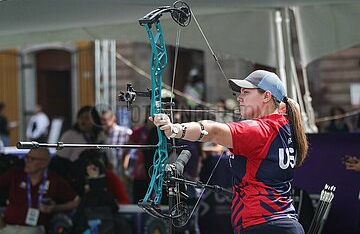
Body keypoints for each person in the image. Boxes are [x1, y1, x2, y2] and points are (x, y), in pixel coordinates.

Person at [151, 70, 308, 234]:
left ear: (266, 96)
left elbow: (214, 132)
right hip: (280, 224)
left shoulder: (261, 130)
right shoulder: (285, 127)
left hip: (264, 226)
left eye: (246, 92)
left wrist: (175, 129)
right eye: (240, 93)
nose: (239, 97)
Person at [0, 149, 80, 234]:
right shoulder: (15, 174)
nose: (27, 161)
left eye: (32, 159)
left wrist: (54, 208)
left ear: (44, 163)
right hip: (7, 226)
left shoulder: (54, 180)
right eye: (26, 158)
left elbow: (77, 202)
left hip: (34, 229)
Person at [100, 109, 133, 176]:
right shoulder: (104, 135)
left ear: (113, 119)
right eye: (101, 121)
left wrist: (125, 166)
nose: (102, 123)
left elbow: (131, 152)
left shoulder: (125, 131)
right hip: (113, 172)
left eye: (105, 120)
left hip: (125, 172)